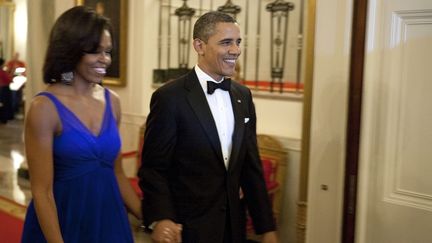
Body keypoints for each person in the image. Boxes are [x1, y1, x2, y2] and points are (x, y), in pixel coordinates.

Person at [138, 11, 278, 243]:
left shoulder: (243, 96)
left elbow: (250, 167)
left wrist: (267, 228)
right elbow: (153, 169)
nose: (236, 50)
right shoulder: (170, 98)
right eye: (226, 42)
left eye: (238, 42)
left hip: (233, 228)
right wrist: (162, 218)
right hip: (188, 228)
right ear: (199, 46)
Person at [21, 6, 141, 243]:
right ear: (71, 50)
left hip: (109, 220)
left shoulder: (112, 102)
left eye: (108, 51)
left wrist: (152, 219)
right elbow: (42, 192)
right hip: (63, 221)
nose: (105, 59)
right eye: (95, 51)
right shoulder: (44, 108)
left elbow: (116, 173)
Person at [0, 58, 13, 123]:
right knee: (5, 103)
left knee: (2, 103)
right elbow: (8, 80)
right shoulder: (2, 71)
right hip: (4, 88)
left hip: (2, 88)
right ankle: (4, 118)